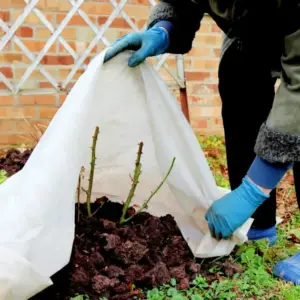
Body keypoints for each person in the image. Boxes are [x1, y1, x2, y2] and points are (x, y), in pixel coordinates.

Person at [104, 0, 300, 284]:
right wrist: (164, 29)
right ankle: (257, 224)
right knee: (238, 68)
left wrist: (253, 189)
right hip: (264, 26)